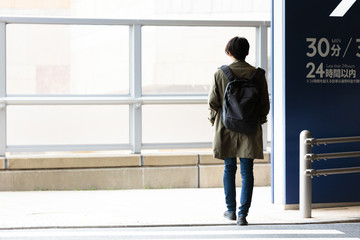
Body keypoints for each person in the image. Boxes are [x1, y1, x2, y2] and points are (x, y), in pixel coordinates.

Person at [208, 36, 270, 226]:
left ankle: (231, 210)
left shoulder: (220, 74)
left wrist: (214, 121)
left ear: (229, 52)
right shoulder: (257, 75)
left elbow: (213, 102)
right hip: (250, 129)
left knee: (229, 168)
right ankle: (243, 214)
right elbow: (264, 106)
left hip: (226, 128)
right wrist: (258, 119)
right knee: (247, 172)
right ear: (247, 52)